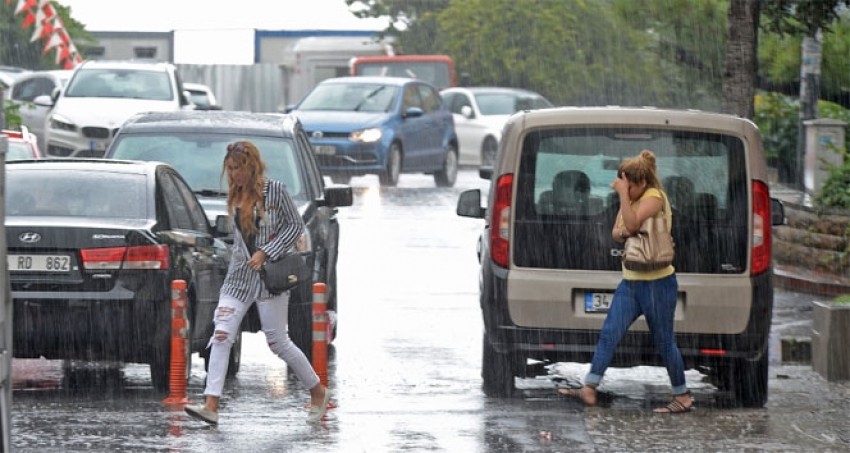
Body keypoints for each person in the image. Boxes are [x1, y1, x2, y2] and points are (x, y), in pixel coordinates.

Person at [184, 140, 331, 425]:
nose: (234, 174)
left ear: (251, 166)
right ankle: (211, 404)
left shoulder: (274, 191)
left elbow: (295, 227)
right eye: (230, 169)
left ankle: (317, 391)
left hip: (269, 276)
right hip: (239, 276)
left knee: (278, 341)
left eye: (238, 168)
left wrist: (267, 253)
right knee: (222, 334)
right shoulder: (235, 194)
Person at [558, 149, 693, 414]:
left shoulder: (654, 197)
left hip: (658, 283)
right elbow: (617, 233)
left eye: (628, 186)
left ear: (641, 183)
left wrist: (623, 201)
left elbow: (629, 228)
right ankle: (589, 387)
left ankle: (683, 395)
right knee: (609, 333)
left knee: (664, 341)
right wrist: (627, 214)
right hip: (631, 282)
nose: (624, 190)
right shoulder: (632, 202)